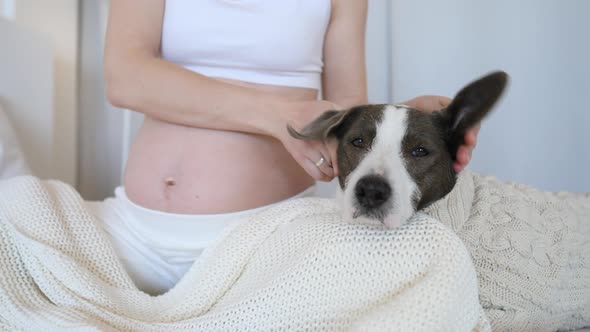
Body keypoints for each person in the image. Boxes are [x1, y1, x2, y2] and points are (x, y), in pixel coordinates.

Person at [94, 0, 480, 295]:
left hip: (271, 243)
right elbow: (124, 76)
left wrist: (407, 121)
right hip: (133, 234)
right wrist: (279, 116)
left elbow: (344, 122)